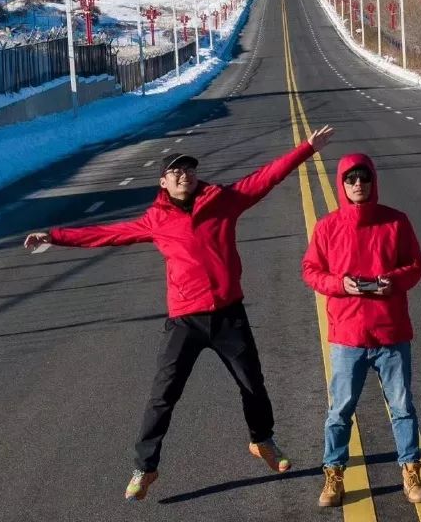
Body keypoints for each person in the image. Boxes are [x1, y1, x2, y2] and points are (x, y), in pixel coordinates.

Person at [24, 125, 334, 501]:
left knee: (253, 383)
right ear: (163, 182)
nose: (183, 175)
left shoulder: (224, 200)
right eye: (175, 171)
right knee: (163, 396)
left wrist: (306, 149)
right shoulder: (156, 219)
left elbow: (265, 178)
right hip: (185, 320)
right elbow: (106, 233)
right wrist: (54, 236)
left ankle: (262, 440)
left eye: (188, 169)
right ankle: (144, 468)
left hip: (227, 315)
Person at [302, 152, 421, 508]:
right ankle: (334, 474)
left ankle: (410, 469)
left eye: (364, 178)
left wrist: (393, 281)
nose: (359, 184)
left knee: (402, 407)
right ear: (342, 184)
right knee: (340, 410)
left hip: (391, 333)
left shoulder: (396, 222)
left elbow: (415, 265)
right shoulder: (328, 227)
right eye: (351, 179)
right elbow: (310, 270)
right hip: (348, 335)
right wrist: (341, 284)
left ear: (373, 181)